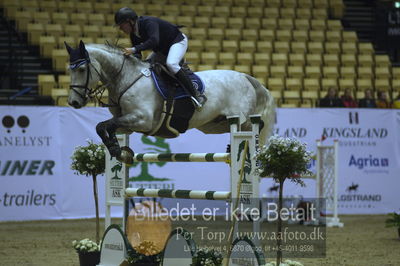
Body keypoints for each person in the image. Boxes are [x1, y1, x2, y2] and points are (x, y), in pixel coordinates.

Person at [114, 7, 207, 109]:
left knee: (172, 64)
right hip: (162, 50)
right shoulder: (134, 34)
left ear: (130, 21)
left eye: (122, 25)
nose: (121, 29)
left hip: (177, 41)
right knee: (146, 67)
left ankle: (196, 95)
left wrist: (133, 49)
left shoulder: (148, 23)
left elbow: (154, 41)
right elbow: (138, 54)